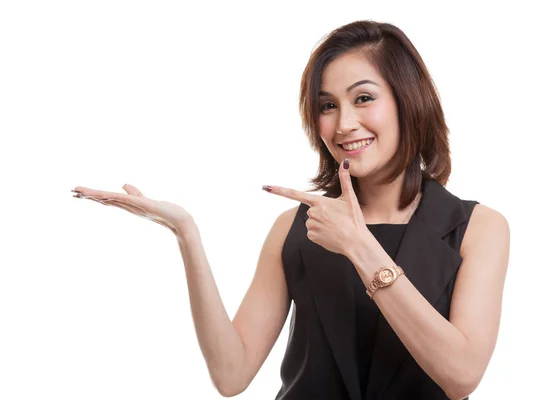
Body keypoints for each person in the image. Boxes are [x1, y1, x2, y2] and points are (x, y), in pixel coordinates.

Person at [71, 20, 510, 400]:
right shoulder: (295, 228)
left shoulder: (476, 228)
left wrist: (359, 245)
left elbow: (460, 376)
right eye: (327, 106)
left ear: (407, 101)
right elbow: (231, 374)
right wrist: (186, 233)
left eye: (363, 98)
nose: (344, 124)